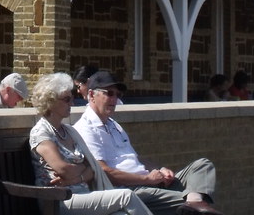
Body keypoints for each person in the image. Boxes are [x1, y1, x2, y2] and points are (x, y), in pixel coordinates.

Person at [73, 70, 223, 215]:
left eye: (118, 94)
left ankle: (194, 202)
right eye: (109, 93)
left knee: (202, 166)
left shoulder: (113, 125)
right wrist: (147, 179)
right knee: (190, 202)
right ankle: (193, 203)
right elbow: (104, 172)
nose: (114, 100)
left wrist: (160, 169)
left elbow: (136, 158)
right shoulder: (86, 128)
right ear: (91, 95)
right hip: (131, 190)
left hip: (149, 182)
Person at [28, 72, 154, 215]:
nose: (72, 103)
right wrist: (83, 169)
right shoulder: (41, 132)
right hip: (58, 201)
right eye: (67, 99)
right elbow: (64, 169)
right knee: (126, 196)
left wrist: (75, 178)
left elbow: (93, 170)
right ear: (50, 101)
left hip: (83, 195)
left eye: (72, 98)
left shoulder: (69, 131)